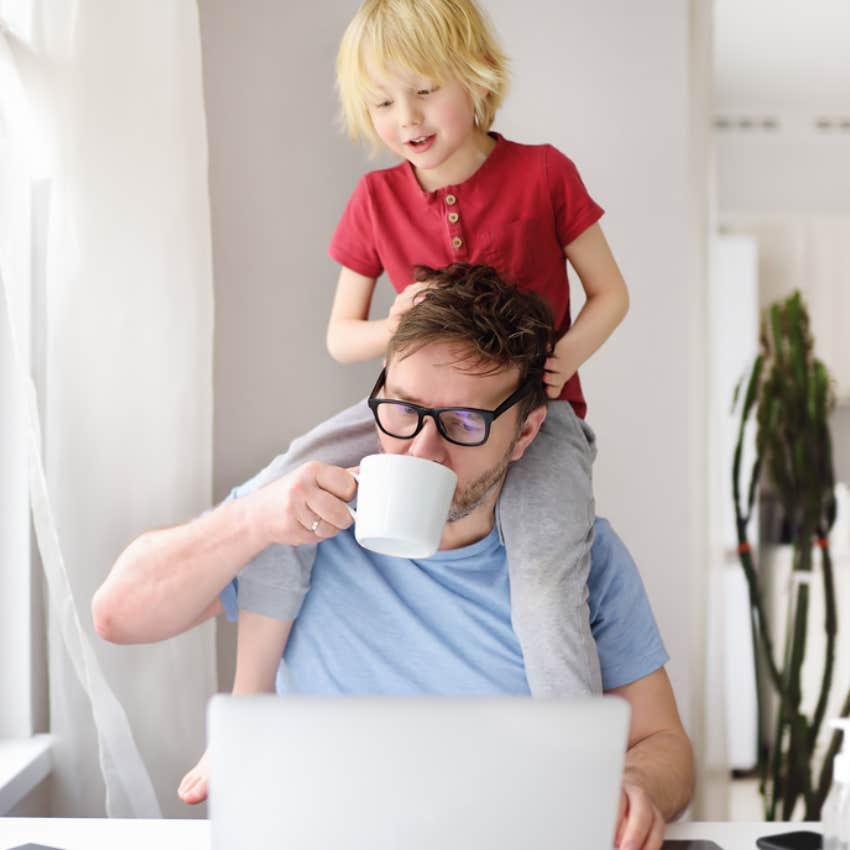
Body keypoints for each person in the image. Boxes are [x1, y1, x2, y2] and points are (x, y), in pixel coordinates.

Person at [93, 265, 692, 850]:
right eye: (404, 410)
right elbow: (118, 614)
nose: (421, 450)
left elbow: (663, 743)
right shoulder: (300, 521)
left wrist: (634, 786)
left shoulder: (583, 556)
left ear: (527, 433)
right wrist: (251, 518)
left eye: (463, 422)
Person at [205, 0, 631, 795]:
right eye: (383, 102)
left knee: (543, 571)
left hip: (537, 418)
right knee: (279, 502)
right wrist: (389, 324)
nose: (407, 118)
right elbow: (341, 335)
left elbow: (611, 294)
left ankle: (578, 778)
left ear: (475, 76)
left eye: (425, 91)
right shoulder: (374, 200)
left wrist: (559, 365)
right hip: (406, 418)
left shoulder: (544, 173)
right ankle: (247, 715)